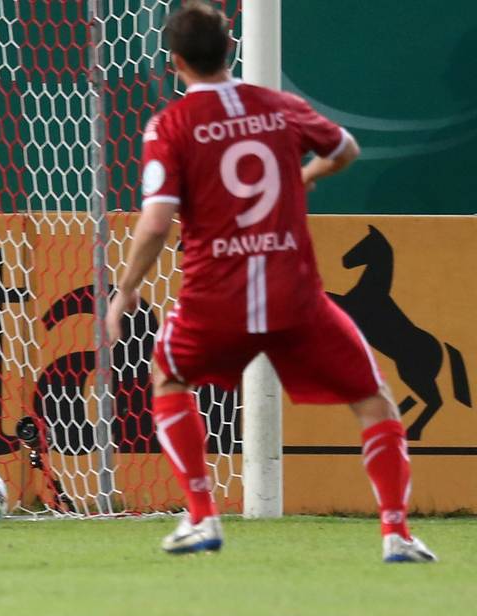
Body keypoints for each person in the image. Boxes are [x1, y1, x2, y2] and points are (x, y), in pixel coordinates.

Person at [106, 2, 435, 562]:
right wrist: (304, 174)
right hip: (296, 300)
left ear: (176, 61)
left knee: (168, 377)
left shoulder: (172, 125)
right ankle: (396, 534)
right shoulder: (280, 108)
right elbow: (345, 149)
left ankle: (203, 517)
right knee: (375, 402)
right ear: (231, 47)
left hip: (215, 301)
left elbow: (157, 222)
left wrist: (127, 288)